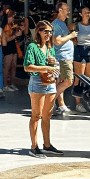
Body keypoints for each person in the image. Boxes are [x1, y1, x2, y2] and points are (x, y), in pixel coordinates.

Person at [23, 23, 62, 157]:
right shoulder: (32, 47)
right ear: (38, 31)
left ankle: (47, 144)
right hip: (38, 82)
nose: (48, 34)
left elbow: (53, 65)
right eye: (46, 31)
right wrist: (46, 68)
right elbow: (27, 67)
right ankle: (34, 146)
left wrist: (53, 62)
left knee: (47, 115)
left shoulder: (50, 47)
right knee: (36, 115)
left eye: (50, 32)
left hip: (50, 82)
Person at [51, 2, 77, 114]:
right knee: (68, 81)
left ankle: (60, 104)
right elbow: (57, 41)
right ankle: (49, 102)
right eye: (67, 10)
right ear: (60, 10)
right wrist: (71, 36)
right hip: (63, 57)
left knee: (60, 81)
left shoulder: (61, 24)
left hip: (64, 56)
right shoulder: (56, 24)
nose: (69, 12)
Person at [72, 7, 90, 85]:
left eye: (88, 12)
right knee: (78, 77)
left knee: (89, 79)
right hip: (79, 49)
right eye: (85, 12)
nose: (87, 14)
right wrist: (73, 39)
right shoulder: (76, 25)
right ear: (80, 14)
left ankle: (86, 96)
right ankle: (77, 96)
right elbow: (66, 32)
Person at [0, 12, 23, 92]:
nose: (13, 19)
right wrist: (16, 35)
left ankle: (11, 83)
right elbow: (6, 39)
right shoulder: (5, 27)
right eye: (11, 17)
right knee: (7, 66)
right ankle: (5, 84)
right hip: (8, 47)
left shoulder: (12, 26)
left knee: (13, 66)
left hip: (13, 46)